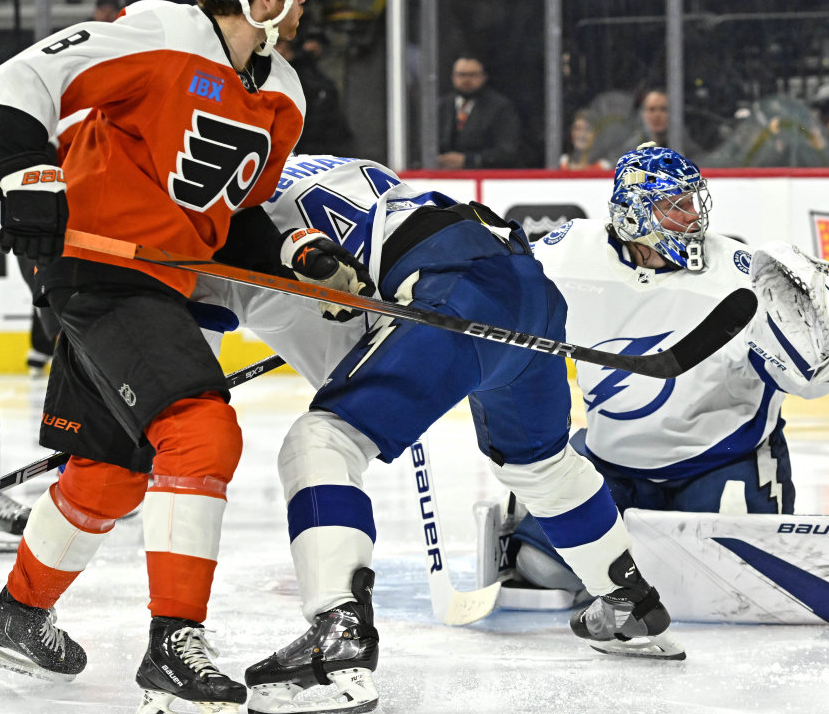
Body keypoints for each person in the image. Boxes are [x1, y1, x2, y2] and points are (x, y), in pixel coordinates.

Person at [188, 152, 687, 713]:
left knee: (321, 442)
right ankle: (631, 607)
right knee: (540, 464)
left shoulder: (219, 215)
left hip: (454, 293)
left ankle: (337, 636)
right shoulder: (324, 163)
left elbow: (188, 370)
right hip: (524, 286)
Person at [0, 0, 317, 713]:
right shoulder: (163, 29)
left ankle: (17, 612)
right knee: (201, 431)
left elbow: (232, 209)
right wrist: (30, 177)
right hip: (95, 260)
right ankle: (173, 644)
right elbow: (17, 82)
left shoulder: (284, 95)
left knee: (113, 470)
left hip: (160, 281)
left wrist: (292, 251)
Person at [489, 142, 829, 628]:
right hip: (612, 462)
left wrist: (827, 341)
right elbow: (496, 277)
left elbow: (820, 378)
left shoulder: (738, 274)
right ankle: (552, 525)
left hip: (721, 462)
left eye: (692, 201)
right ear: (632, 214)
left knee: (723, 583)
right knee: (541, 568)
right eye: (674, 205)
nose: (693, 216)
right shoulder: (567, 255)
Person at [274, 30, 356, 155]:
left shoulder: (307, 78)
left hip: (311, 154)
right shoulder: (274, 77)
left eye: (278, 43)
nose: (276, 51)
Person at [436, 54, 523, 169]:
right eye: (461, 75)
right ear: (453, 76)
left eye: (472, 75)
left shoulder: (500, 107)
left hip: (486, 175)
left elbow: (508, 150)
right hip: (442, 177)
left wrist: (469, 160)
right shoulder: (441, 106)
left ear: (483, 77)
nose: (466, 80)